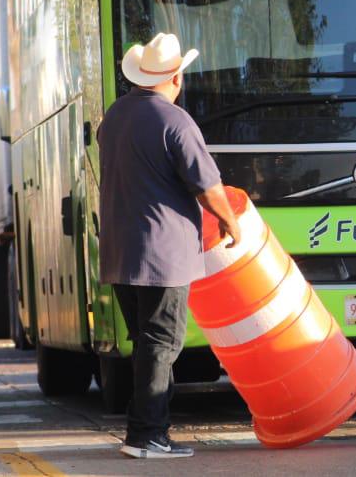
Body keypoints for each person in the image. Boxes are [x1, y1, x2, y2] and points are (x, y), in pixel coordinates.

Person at [98, 32, 242, 459]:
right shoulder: (175, 120)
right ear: (176, 77)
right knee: (162, 342)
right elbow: (208, 187)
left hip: (121, 252)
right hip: (164, 253)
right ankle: (148, 437)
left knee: (146, 343)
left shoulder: (115, 116)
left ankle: (142, 430)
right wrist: (231, 223)